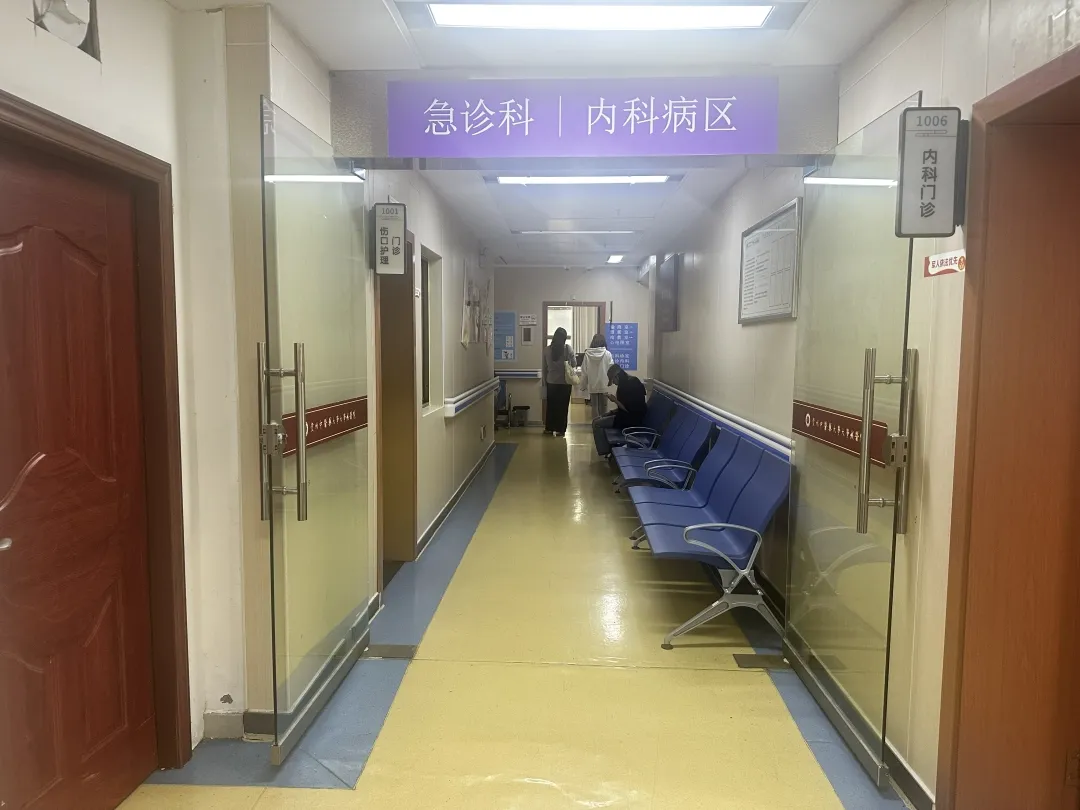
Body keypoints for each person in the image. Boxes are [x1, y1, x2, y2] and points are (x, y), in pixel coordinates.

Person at [592, 364, 648, 457]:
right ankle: (608, 450)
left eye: (613, 380)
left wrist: (614, 400)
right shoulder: (630, 381)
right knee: (597, 419)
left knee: (596, 424)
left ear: (617, 376)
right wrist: (611, 412)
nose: (614, 383)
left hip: (631, 420)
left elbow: (627, 409)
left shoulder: (629, 385)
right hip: (627, 416)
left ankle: (606, 451)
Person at [542, 327, 575, 437]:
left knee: (551, 406)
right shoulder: (568, 349)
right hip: (565, 383)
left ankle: (549, 428)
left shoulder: (546, 350)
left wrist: (544, 382)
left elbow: (544, 368)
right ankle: (561, 430)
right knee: (563, 407)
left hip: (551, 382)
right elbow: (574, 364)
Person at [580, 333, 614, 420]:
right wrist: (611, 381)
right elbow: (612, 369)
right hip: (604, 383)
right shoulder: (607, 354)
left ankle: (596, 424)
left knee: (594, 406)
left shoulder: (587, 354)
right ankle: (604, 424)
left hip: (592, 384)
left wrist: (583, 385)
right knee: (604, 406)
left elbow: (584, 371)